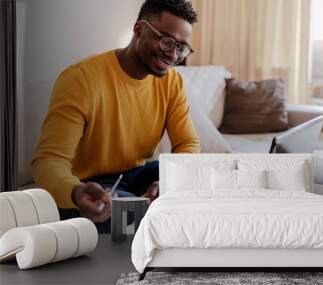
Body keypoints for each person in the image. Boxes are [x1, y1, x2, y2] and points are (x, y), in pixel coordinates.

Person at [31, 0, 200, 233]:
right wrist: (76, 192)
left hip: (137, 175)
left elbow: (187, 144)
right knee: (130, 213)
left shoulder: (173, 82)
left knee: (197, 179)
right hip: (91, 184)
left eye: (181, 47)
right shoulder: (81, 80)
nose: (173, 54)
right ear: (139, 30)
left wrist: (171, 181)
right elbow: (48, 162)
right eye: (166, 41)